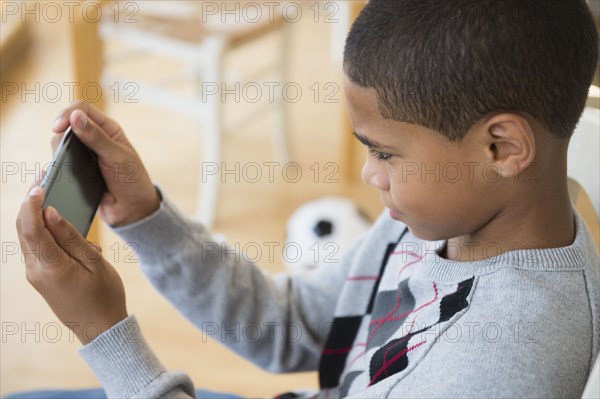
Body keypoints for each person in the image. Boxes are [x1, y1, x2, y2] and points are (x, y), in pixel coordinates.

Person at [12, 0, 600, 398]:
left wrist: (100, 328)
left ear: (501, 147)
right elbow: (286, 324)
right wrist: (144, 217)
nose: (369, 176)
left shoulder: (503, 365)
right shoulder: (440, 220)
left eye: (386, 153)